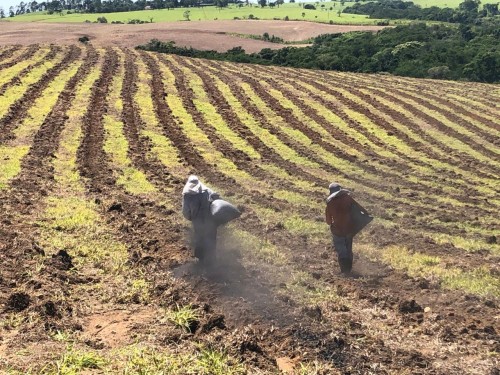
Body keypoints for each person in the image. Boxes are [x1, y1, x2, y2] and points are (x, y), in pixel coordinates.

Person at [325, 182, 371, 274]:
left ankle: (344, 271)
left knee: (342, 251)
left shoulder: (330, 204)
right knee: (348, 249)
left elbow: (328, 221)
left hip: (337, 231)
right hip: (349, 229)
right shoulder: (347, 199)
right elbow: (361, 209)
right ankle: (349, 270)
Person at [182, 175, 220, 266]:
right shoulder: (206, 191)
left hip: (198, 220)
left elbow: (185, 211)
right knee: (210, 238)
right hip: (210, 219)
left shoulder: (187, 195)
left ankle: (201, 259)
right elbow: (216, 199)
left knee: (200, 238)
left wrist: (191, 218)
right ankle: (211, 259)